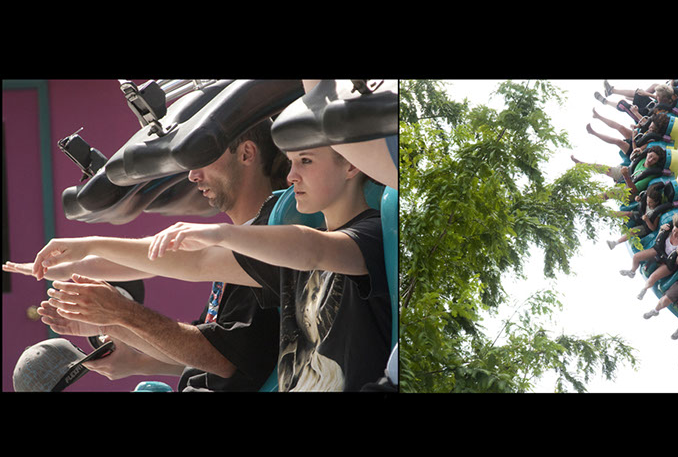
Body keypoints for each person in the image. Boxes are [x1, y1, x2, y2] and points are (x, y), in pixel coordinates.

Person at [31, 144, 392, 392]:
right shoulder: (287, 261)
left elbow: (314, 250)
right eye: (292, 162)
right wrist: (86, 248)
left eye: (307, 161)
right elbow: (196, 262)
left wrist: (221, 234)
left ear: (350, 162)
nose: (292, 175)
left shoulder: (371, 235)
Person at [7, 119, 287, 392]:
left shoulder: (271, 239)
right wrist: (112, 324)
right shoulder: (241, 240)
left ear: (247, 153)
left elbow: (223, 359)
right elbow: (202, 345)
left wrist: (119, 311)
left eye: (202, 156)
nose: (192, 175)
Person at [619, 213, 678, 299]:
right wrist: (661, 229)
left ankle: (644, 289)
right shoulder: (668, 230)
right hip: (659, 251)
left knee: (653, 276)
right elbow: (658, 240)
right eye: (674, 231)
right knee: (636, 257)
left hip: (668, 262)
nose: (674, 234)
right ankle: (632, 271)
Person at [607, 183, 663, 249]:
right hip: (641, 215)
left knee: (632, 231)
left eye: (650, 202)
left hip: (646, 225)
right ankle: (608, 214)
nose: (648, 203)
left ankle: (615, 243)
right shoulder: (646, 199)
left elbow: (653, 228)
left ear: (656, 202)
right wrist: (637, 198)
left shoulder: (657, 211)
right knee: (628, 213)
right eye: (647, 201)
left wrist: (647, 220)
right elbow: (640, 200)